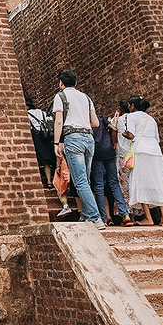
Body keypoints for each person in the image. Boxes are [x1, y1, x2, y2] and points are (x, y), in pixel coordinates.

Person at [51, 70, 104, 228]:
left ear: (61, 82)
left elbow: (59, 122)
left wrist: (56, 143)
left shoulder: (60, 96)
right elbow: (96, 123)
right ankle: (86, 216)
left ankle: (95, 218)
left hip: (73, 138)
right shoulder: (85, 98)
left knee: (80, 181)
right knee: (85, 180)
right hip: (89, 138)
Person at [117, 96, 163, 227]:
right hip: (155, 151)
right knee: (160, 181)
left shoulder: (131, 117)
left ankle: (148, 218)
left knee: (141, 183)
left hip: (140, 150)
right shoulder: (151, 119)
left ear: (132, 106)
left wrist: (125, 135)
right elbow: (157, 138)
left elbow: (132, 134)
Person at [91, 104, 132, 226]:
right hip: (108, 151)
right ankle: (125, 214)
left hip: (96, 153)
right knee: (114, 183)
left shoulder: (84, 121)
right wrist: (112, 142)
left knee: (98, 186)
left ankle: (103, 219)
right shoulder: (101, 118)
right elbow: (114, 128)